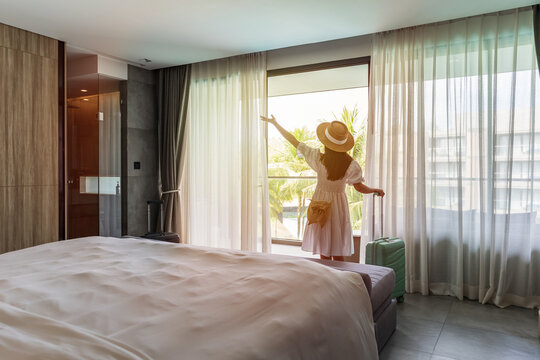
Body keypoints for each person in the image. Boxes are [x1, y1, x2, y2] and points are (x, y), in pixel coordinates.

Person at [261, 115, 384, 261]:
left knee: (323, 245)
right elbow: (359, 187)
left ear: (326, 142)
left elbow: (293, 140)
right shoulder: (351, 165)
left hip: (320, 202)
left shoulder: (318, 158)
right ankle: (341, 279)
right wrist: (374, 190)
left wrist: (275, 123)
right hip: (338, 206)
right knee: (337, 247)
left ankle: (327, 276)